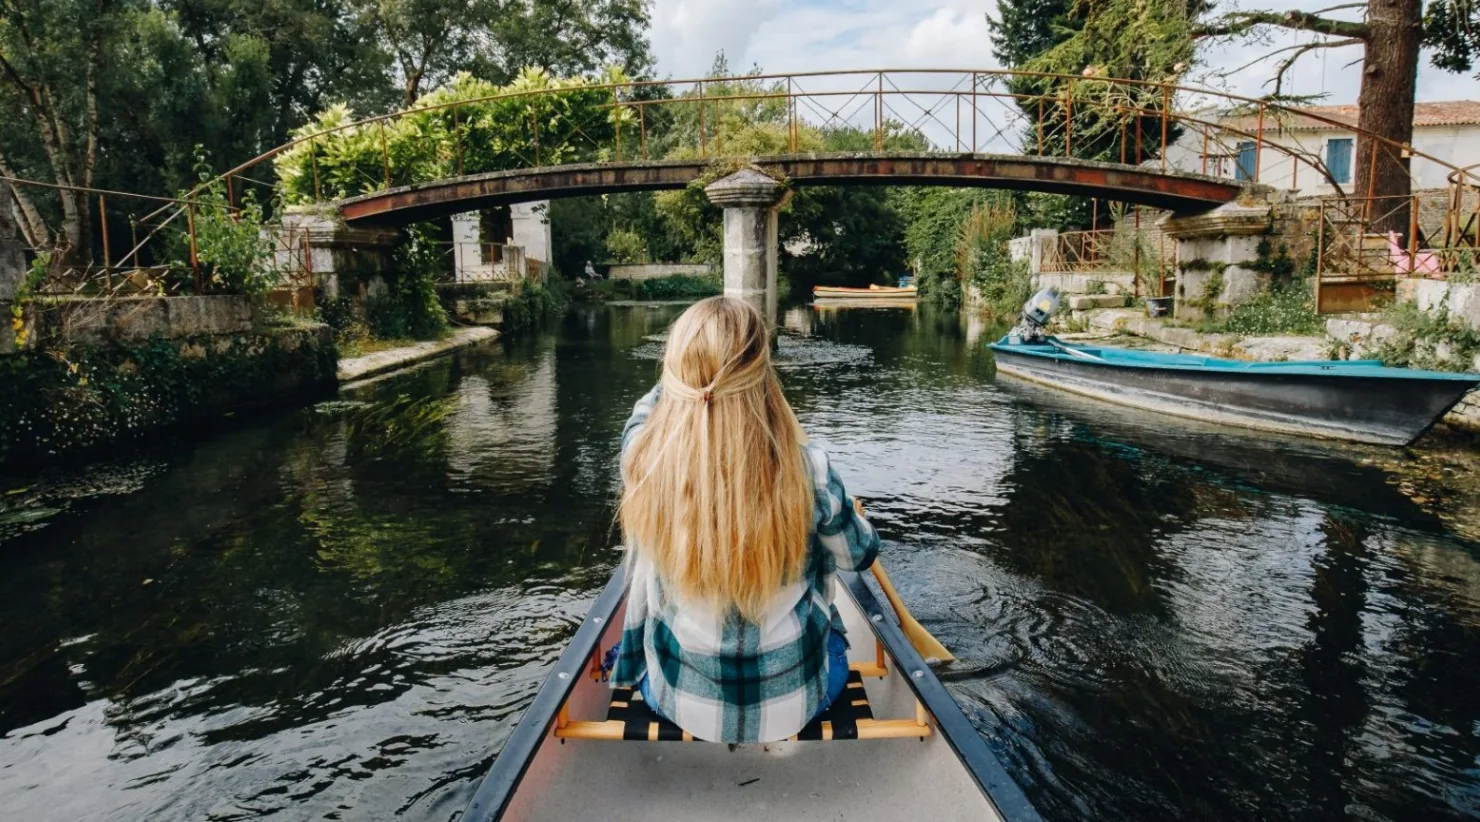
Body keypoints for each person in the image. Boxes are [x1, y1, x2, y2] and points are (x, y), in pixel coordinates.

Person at [611, 296, 879, 743]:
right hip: (796, 702)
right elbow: (862, 555)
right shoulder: (807, 470)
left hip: (678, 701)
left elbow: (642, 415)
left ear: (674, 374)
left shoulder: (643, 459)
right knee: (827, 605)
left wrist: (688, 378)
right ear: (763, 375)